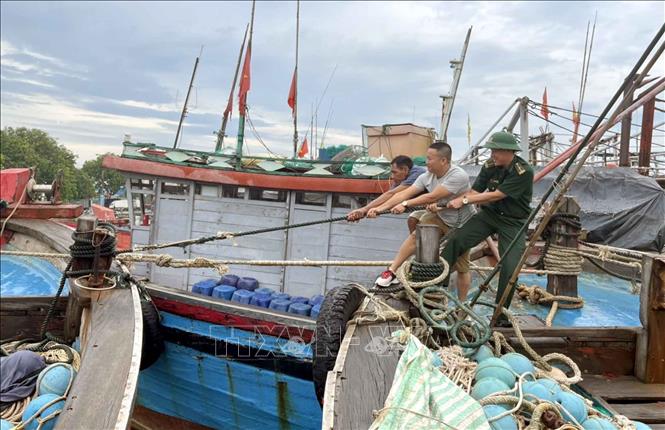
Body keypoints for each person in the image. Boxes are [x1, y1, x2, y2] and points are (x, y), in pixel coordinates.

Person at [442, 131, 534, 325]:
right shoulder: (489, 166)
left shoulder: (523, 171)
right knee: (457, 240)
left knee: (510, 268)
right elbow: (476, 191)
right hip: (489, 215)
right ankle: (436, 287)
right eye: (491, 150)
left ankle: (500, 317)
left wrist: (465, 199)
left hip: (513, 222)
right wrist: (454, 201)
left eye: (496, 151)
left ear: (509, 152)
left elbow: (496, 195)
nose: (492, 154)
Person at [366, 141, 476, 300]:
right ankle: (392, 271)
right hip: (440, 216)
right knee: (416, 234)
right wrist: (380, 208)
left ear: (443, 160)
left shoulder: (458, 175)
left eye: (430, 158)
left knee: (462, 268)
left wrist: (405, 204)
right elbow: (403, 194)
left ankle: (463, 306)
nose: (426, 162)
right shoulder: (426, 176)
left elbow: (433, 196)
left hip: (461, 223)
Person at [347, 155, 426, 223]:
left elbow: (395, 195)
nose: (392, 176)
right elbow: (390, 195)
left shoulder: (418, 173)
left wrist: (375, 209)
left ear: (405, 170)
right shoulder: (401, 177)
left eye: (394, 172)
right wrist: (363, 211)